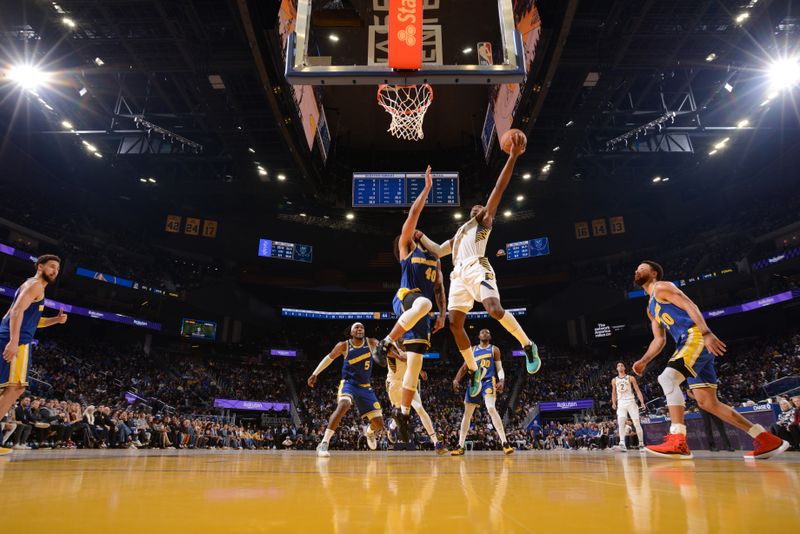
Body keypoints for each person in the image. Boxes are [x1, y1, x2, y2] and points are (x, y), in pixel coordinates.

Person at [631, 260, 789, 460]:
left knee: (667, 379)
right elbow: (659, 339)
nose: (637, 271)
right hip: (685, 343)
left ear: (654, 273)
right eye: (636, 269)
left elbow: (690, 305)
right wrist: (644, 360)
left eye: (642, 268)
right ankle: (766, 438)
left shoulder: (662, 286)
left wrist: (706, 332)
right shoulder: (650, 308)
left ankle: (677, 440)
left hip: (694, 336)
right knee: (708, 403)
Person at [413, 133, 541, 377]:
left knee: (493, 309)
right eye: (475, 207)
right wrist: (421, 237)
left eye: (481, 207)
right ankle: (472, 369)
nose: (478, 207)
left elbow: (499, 188)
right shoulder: (461, 231)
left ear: (486, 214)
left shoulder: (483, 223)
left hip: (477, 266)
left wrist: (513, 157)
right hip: (458, 275)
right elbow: (439, 251)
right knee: (454, 323)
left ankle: (527, 344)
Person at [371, 166, 453, 443]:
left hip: (425, 313)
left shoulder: (436, 258)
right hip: (406, 299)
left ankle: (404, 416)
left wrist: (443, 314)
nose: (417, 231)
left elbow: (441, 289)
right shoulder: (407, 250)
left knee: (415, 368)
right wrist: (427, 188)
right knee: (423, 303)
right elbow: (413, 214)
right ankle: (385, 343)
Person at [0, 255, 66, 456]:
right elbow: (17, 311)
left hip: (19, 338)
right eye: (52, 266)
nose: (55, 270)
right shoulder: (35, 284)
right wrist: (13, 340)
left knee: (12, 388)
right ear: (40, 266)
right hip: (17, 340)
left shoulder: (38, 288)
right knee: (16, 388)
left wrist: (55, 320)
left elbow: (32, 319)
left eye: (57, 268)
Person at [308, 322, 386, 457]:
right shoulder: (343, 345)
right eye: (356, 327)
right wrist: (315, 373)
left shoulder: (372, 342)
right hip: (349, 384)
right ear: (351, 332)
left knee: (379, 423)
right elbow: (329, 358)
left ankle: (370, 432)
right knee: (344, 404)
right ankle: (324, 443)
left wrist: (386, 352)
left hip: (365, 386)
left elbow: (384, 350)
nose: (359, 329)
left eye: (362, 327)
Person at [451, 329, 513, 455]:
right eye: (482, 332)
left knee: (490, 407)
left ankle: (504, 442)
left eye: (487, 332)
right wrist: (456, 379)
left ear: (490, 336)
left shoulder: (494, 349)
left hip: (488, 381)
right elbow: (464, 367)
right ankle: (460, 445)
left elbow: (499, 368)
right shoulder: (472, 350)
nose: (485, 333)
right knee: (467, 414)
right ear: (479, 336)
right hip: (474, 382)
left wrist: (501, 380)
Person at [384, 342, 447, 454]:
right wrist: (401, 357)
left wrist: (420, 371)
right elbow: (387, 352)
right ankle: (392, 425)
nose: (403, 336)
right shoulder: (391, 345)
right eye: (401, 333)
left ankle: (436, 442)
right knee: (402, 413)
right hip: (395, 384)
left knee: (419, 409)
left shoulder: (409, 346)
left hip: (408, 382)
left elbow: (411, 364)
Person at [611, 361, 645, 451]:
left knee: (636, 423)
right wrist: (614, 403)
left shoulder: (630, 378)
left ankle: (641, 444)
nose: (620, 367)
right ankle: (622, 443)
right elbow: (613, 392)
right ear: (617, 369)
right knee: (621, 423)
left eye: (622, 365)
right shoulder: (614, 380)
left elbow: (637, 390)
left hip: (631, 402)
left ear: (624, 368)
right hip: (621, 403)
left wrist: (642, 402)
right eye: (618, 366)